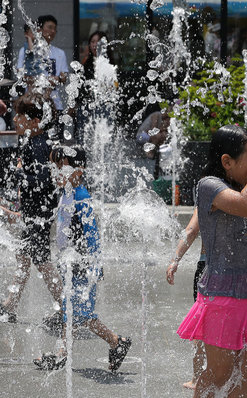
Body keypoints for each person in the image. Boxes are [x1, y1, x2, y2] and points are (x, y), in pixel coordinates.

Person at [176, 125, 247, 398]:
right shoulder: (209, 186)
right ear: (227, 161)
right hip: (221, 294)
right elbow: (246, 206)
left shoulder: (244, 185)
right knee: (220, 371)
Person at [33, 145, 131, 371]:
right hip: (71, 263)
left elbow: (92, 235)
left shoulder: (81, 197)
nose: (55, 172)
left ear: (79, 170)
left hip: (83, 265)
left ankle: (117, 341)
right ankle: (61, 354)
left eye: (61, 167)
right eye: (54, 167)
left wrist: (94, 267)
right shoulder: (67, 194)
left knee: (82, 314)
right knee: (70, 310)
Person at [0, 93, 63, 326]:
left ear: (35, 121)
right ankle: (10, 304)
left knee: (41, 260)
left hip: (39, 213)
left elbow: (43, 181)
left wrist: (19, 172)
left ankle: (65, 307)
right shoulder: (34, 140)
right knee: (24, 256)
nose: (14, 119)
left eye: (20, 115)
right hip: (35, 212)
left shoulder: (39, 144)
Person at [166, 207, 207, 389]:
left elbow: (191, 231)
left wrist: (175, 260)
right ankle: (232, 376)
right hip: (239, 268)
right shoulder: (242, 195)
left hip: (209, 267)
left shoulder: (210, 192)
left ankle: (198, 378)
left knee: (202, 325)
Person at [17, 15, 68, 140]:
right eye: (49, 27)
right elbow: (22, 76)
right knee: (28, 142)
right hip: (31, 105)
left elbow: (64, 77)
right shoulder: (26, 51)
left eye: (55, 29)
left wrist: (58, 79)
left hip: (55, 105)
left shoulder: (60, 53)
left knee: (55, 144)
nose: (52, 31)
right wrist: (48, 80)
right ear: (39, 29)